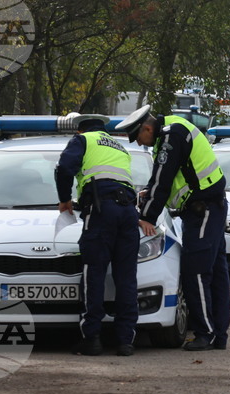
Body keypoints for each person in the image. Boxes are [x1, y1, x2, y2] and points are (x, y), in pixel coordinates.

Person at [116, 104, 230, 351]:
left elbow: (163, 177)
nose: (139, 144)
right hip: (210, 208)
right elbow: (163, 175)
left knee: (196, 272)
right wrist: (149, 191)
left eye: (139, 138)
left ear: (147, 127)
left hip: (203, 210)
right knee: (216, 273)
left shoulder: (171, 135)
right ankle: (218, 333)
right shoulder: (172, 130)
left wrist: (147, 215)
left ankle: (206, 334)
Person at [55, 112, 141, 357]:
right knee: (126, 277)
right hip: (128, 212)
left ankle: (91, 338)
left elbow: (64, 169)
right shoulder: (119, 147)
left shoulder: (83, 140)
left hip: (102, 211)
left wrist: (64, 201)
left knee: (94, 273)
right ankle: (126, 341)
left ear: (79, 130)